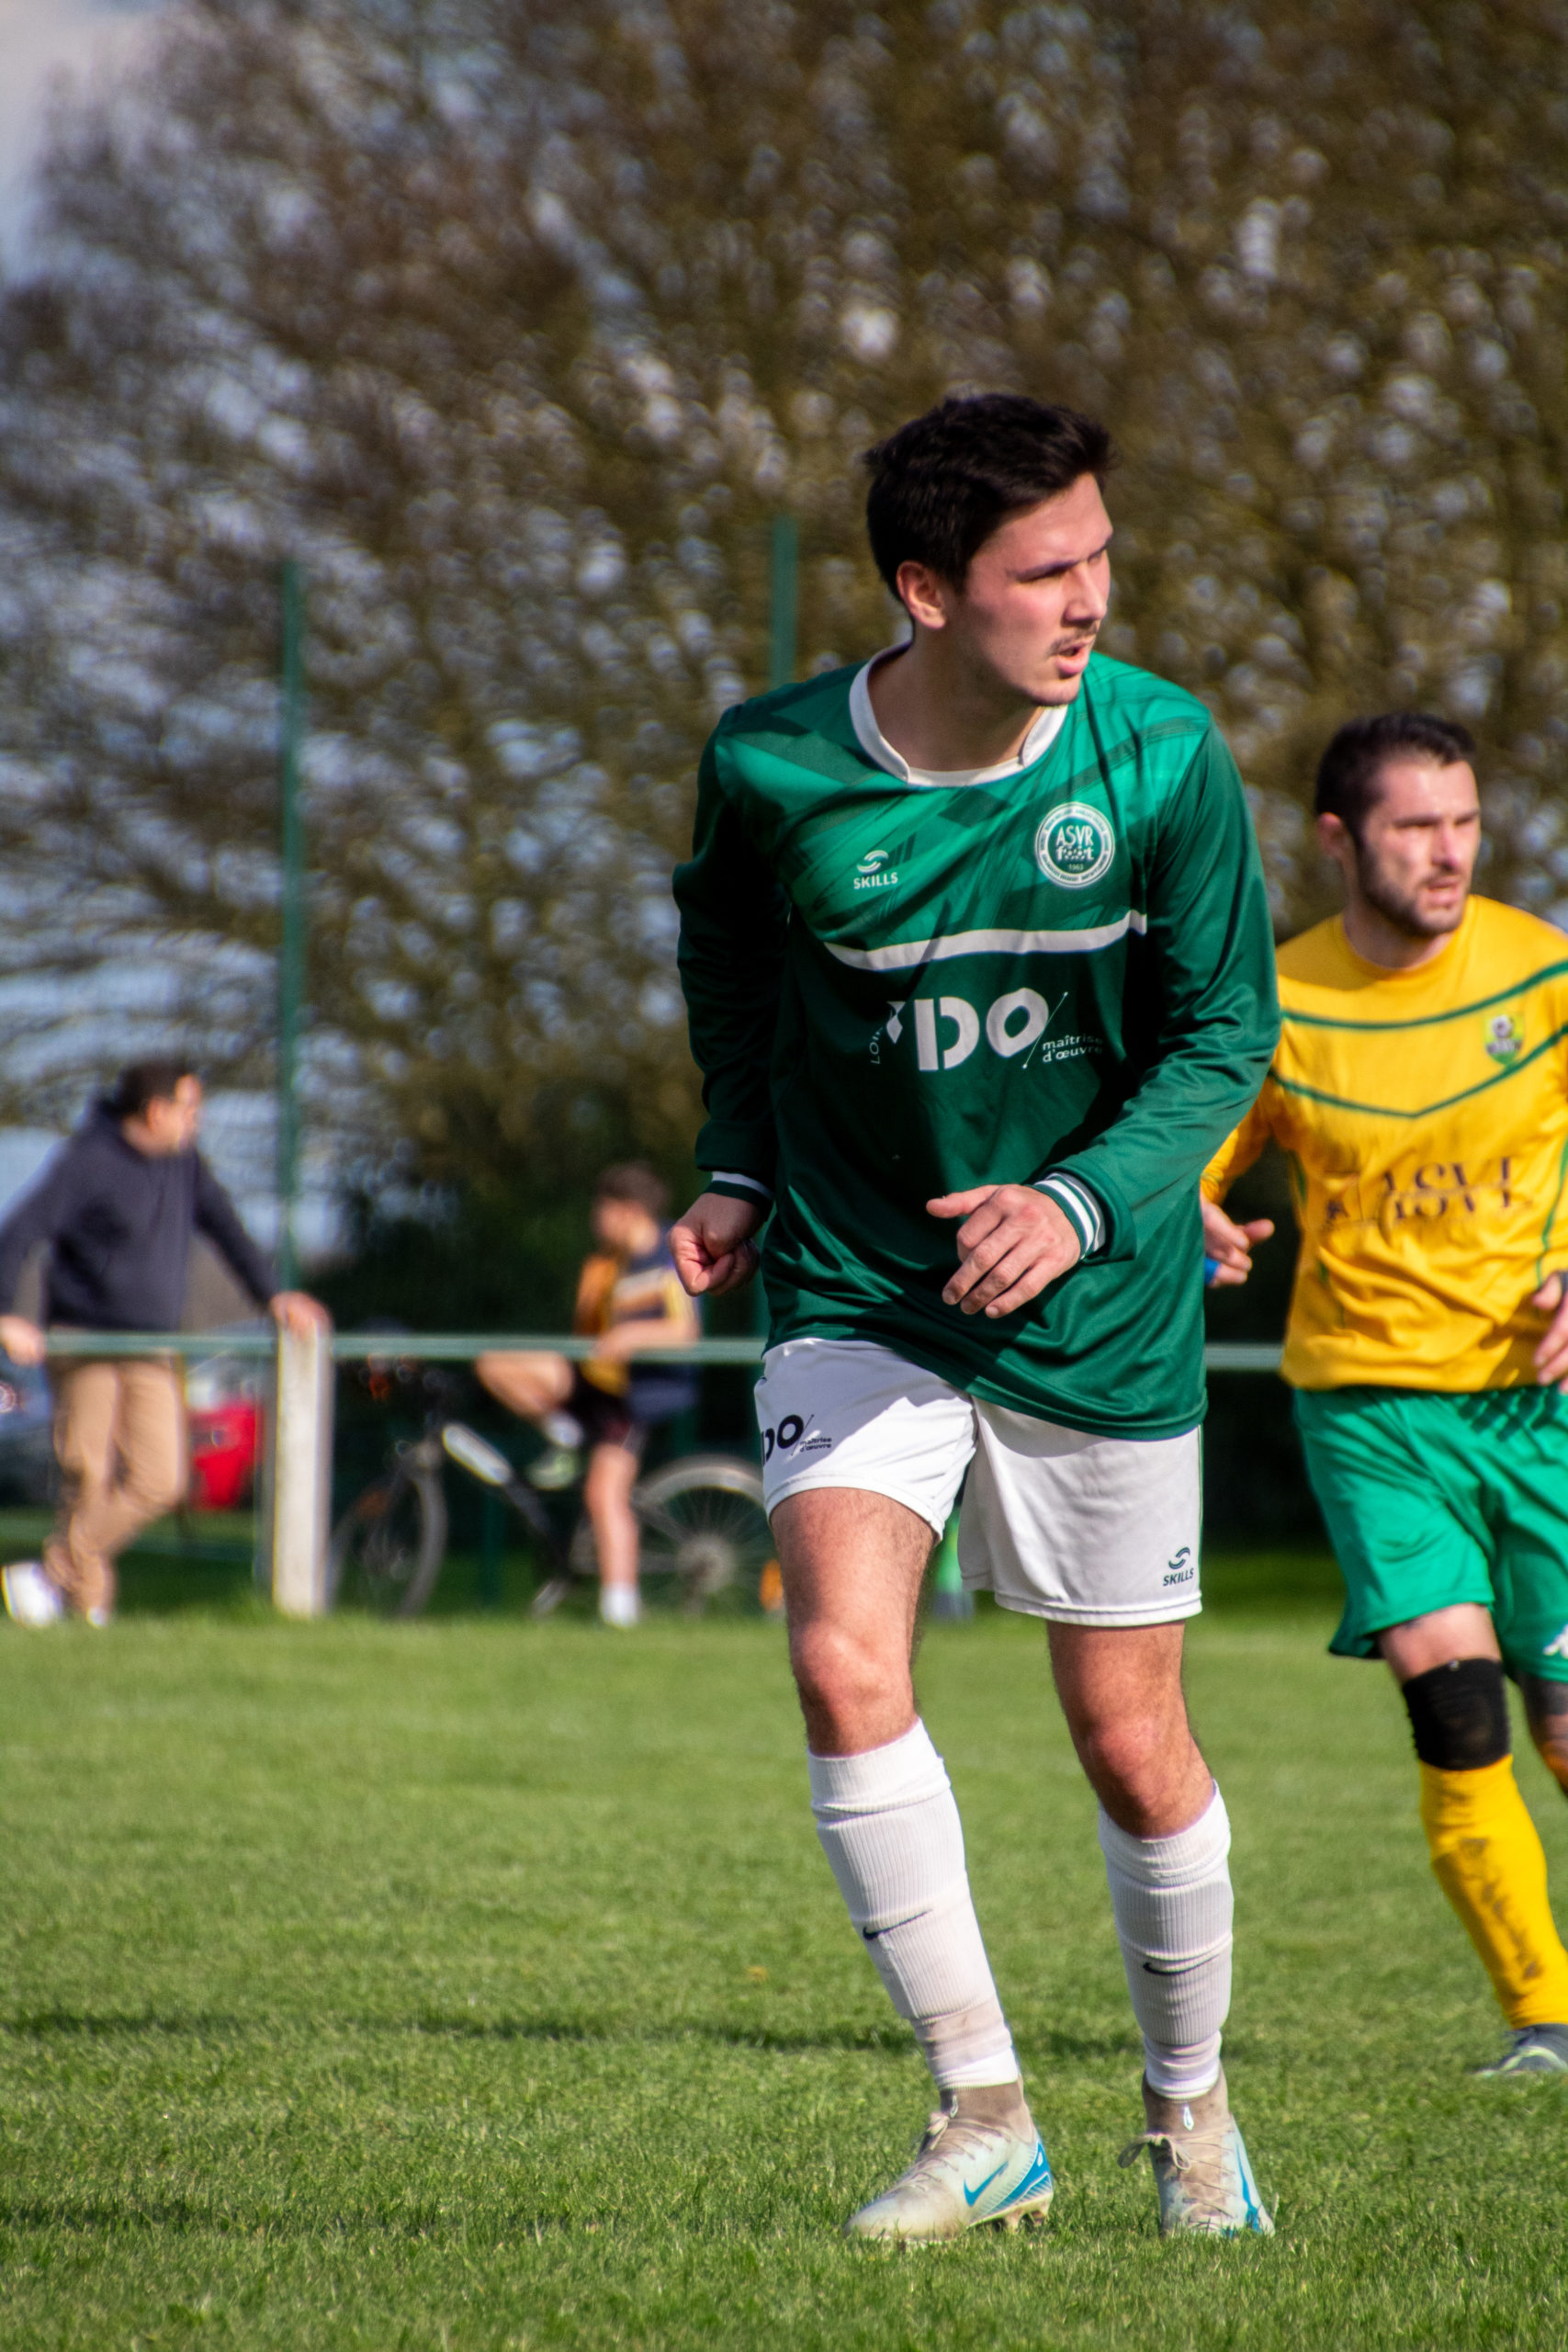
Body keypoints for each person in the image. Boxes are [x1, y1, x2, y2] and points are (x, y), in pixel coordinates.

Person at [670, 394, 1280, 2240]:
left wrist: (1078, 1201)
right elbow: (730, 966)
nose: (1089, 600)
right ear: (927, 592)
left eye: (1098, 558)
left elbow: (1221, 1036)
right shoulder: (771, 766)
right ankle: (983, 2113)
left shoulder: (1159, 754)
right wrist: (737, 1159)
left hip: (1099, 1302)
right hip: (860, 1275)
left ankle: (1188, 2116)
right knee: (842, 1661)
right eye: (1043, 572)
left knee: (1129, 1742)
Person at [1203, 710, 1568, 2079]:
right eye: (1416, 826)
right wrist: (1192, 1217)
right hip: (1370, 1409)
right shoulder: (1274, 1000)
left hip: (1538, 1404)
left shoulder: (1544, 975)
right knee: (1455, 1710)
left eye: (1464, 822)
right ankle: (1544, 2020)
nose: (1448, 851)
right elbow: (1191, 1152)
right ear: (1337, 840)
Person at [0, 1057, 328, 1627]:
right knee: (88, 1473)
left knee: (161, 1479)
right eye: (190, 1108)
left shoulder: (185, 1165)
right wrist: (8, 1316)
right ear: (156, 1111)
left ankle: (51, 1575)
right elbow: (19, 1231)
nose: (197, 1120)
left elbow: (226, 1227)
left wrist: (274, 1295)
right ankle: (89, 1612)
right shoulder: (89, 1162)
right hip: (86, 1341)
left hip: (151, 1344)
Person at [476, 1163, 698, 1627]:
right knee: (494, 1364)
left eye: (603, 1209)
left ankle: (620, 1610)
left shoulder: (667, 1254)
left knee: (603, 1493)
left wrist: (630, 1337)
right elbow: (590, 1337)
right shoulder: (606, 1263)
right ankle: (565, 1432)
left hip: (635, 1394)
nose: (596, 1219)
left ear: (628, 1211)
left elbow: (684, 1330)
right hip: (593, 1381)